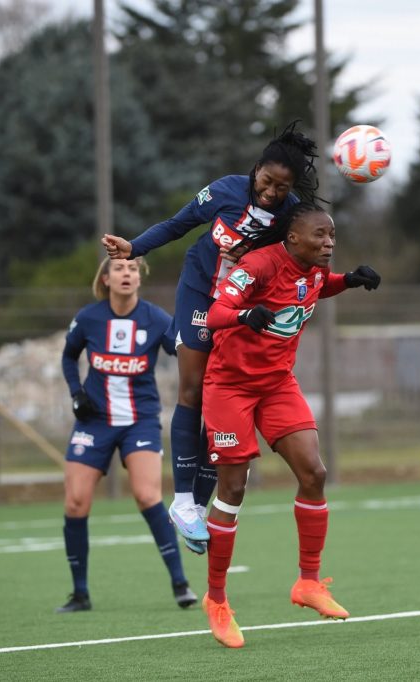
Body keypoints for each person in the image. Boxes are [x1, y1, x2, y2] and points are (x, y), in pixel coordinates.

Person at [101, 122, 320, 554]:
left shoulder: (290, 215)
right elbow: (178, 224)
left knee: (221, 401)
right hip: (201, 291)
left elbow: (295, 257)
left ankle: (198, 508)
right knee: (194, 388)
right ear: (255, 170)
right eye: (266, 181)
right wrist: (134, 247)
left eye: (282, 187)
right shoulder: (225, 190)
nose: (271, 192)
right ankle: (182, 500)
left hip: (242, 305)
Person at [197, 202, 381, 648]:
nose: (329, 242)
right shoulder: (259, 265)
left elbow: (312, 289)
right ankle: (217, 599)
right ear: (293, 238)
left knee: (314, 473)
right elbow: (217, 311)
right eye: (320, 235)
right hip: (230, 386)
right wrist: (244, 315)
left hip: (277, 384)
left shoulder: (315, 268)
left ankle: (308, 582)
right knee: (233, 488)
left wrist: (348, 281)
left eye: (332, 235)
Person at [55, 256, 197, 613]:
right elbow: (69, 357)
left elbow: (183, 350)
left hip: (140, 420)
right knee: (75, 502)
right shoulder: (89, 318)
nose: (126, 273)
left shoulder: (156, 319)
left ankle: (180, 583)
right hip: (94, 422)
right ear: (105, 279)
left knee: (147, 495)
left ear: (139, 278)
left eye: (132, 269)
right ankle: (80, 594)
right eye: (119, 269)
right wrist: (76, 393)